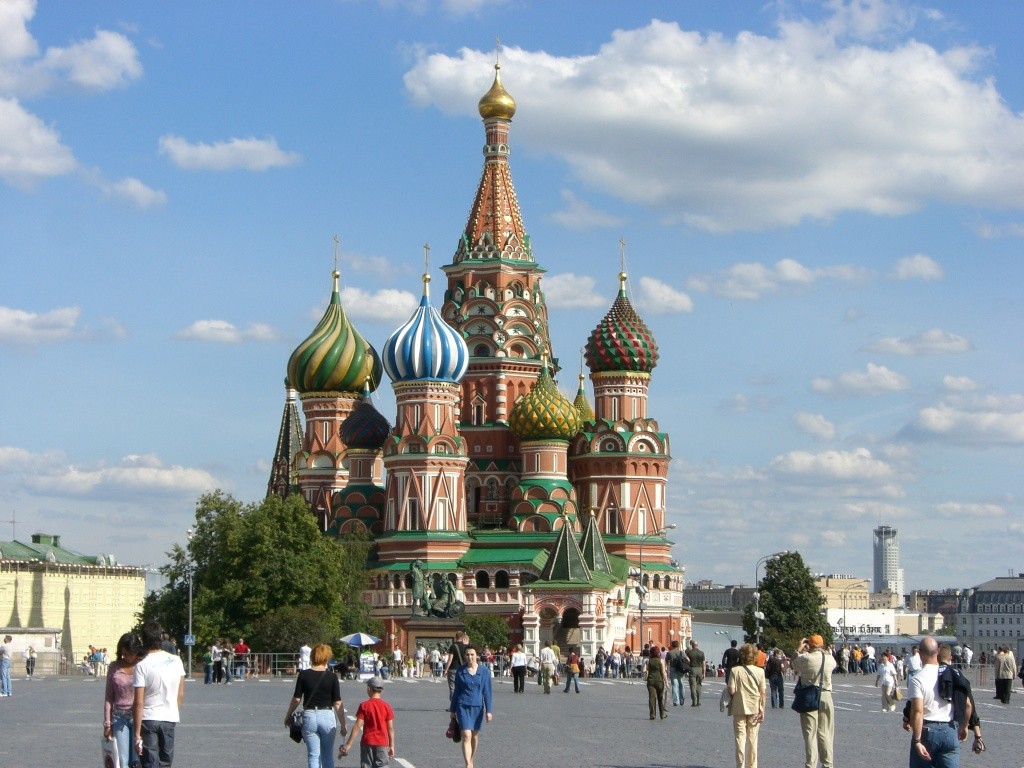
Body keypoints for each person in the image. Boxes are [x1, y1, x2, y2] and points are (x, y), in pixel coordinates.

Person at [907, 636, 968, 768]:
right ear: (938, 651)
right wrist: (965, 725)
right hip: (950, 730)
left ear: (920, 652)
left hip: (928, 732)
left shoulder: (917, 678)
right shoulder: (951, 673)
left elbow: (918, 711)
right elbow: (967, 703)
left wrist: (917, 740)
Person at [132, 621, 186, 768]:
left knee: (150, 763)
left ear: (143, 639)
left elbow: (138, 702)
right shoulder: (176, 661)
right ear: (161, 636)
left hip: (148, 718)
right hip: (169, 717)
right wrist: (173, 711)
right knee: (165, 762)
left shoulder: (141, 666)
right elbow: (180, 693)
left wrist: (136, 734)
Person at [285, 643, 346, 768]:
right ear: (327, 658)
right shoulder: (332, 676)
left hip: (310, 715)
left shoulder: (304, 674)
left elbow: (296, 699)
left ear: (313, 656)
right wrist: (343, 725)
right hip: (327, 716)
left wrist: (288, 715)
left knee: (313, 755)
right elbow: (337, 702)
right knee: (327, 755)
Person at [793, 634, 836, 768]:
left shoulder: (806, 658)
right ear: (822, 645)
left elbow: (793, 665)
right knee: (825, 733)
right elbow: (834, 664)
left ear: (809, 645)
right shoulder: (830, 659)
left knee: (810, 734)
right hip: (826, 696)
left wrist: (799, 649)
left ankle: (811, 764)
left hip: (810, 695)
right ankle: (828, 764)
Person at [448, 645, 493, 768]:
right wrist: (452, 710)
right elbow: (456, 691)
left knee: (474, 736)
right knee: (466, 735)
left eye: (472, 654)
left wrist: (489, 711)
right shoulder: (460, 671)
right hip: (463, 707)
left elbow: (487, 692)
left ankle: (472, 759)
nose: (470, 657)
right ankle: (468, 764)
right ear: (464, 656)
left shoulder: (484, 671)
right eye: (467, 654)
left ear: (477, 655)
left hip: (477, 708)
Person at [104, 632, 143, 768]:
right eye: (124, 653)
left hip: (139, 717)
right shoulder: (114, 667)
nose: (127, 657)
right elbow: (109, 696)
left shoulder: (142, 666)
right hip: (119, 718)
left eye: (131, 654)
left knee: (136, 759)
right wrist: (107, 723)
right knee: (122, 759)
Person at [339, 675, 394, 768]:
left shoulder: (364, 706)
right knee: (382, 765)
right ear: (382, 690)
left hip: (367, 741)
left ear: (369, 688)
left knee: (366, 765)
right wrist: (391, 745)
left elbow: (357, 726)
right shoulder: (386, 706)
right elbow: (390, 728)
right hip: (382, 742)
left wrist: (348, 744)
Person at [728, 643, 767, 768]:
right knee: (753, 738)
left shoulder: (735, 670)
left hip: (739, 707)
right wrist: (763, 710)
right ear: (754, 656)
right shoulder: (760, 671)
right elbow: (763, 693)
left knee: (740, 738)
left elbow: (731, 691)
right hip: (755, 707)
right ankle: (753, 766)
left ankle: (740, 765)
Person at [645, 646, 668, 719]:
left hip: (651, 681)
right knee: (660, 698)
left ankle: (652, 715)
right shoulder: (661, 661)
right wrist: (667, 682)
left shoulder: (649, 661)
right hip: (659, 681)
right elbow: (663, 672)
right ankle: (662, 714)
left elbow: (644, 670)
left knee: (652, 698)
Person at [444, 632, 469, 698]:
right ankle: (460, 703)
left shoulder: (453, 646)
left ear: (456, 637)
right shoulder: (466, 647)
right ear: (462, 637)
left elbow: (450, 659)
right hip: (463, 669)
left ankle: (453, 705)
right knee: (462, 686)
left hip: (453, 668)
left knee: (452, 687)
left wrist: (446, 669)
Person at [666, 640, 689, 706]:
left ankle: (676, 701)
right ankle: (682, 700)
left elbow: (666, 661)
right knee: (681, 684)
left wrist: (667, 668)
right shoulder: (682, 653)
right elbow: (688, 660)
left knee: (674, 685)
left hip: (673, 669)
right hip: (681, 670)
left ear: (672, 646)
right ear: (678, 645)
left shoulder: (670, 653)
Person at [686, 640, 706, 706]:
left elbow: (687, 661)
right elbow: (704, 664)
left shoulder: (689, 653)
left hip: (692, 669)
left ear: (692, 645)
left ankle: (694, 701)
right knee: (699, 685)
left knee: (692, 686)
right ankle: (698, 701)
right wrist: (704, 673)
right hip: (700, 669)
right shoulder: (701, 653)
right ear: (697, 645)